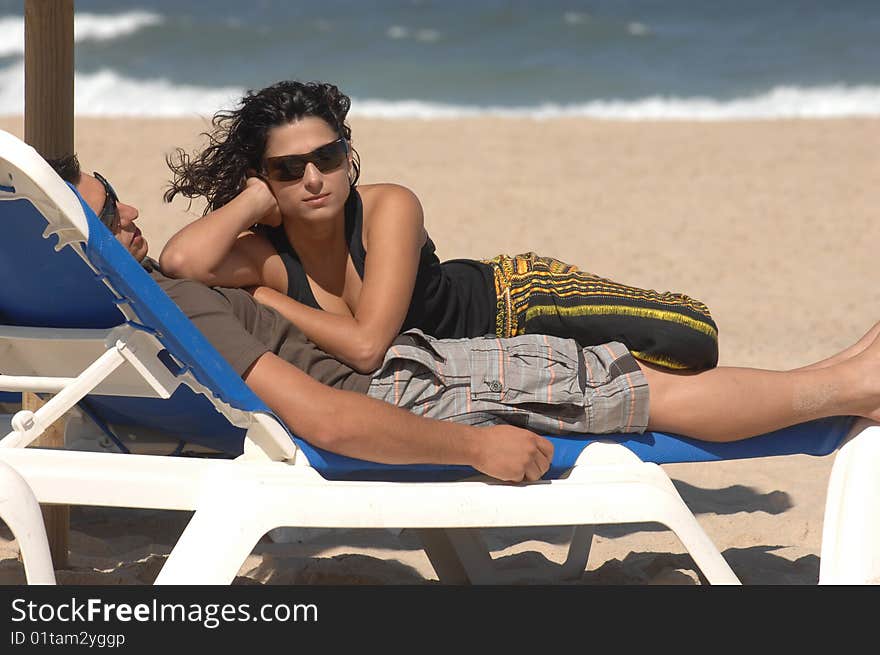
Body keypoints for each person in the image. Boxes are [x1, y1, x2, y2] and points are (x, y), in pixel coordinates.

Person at [52, 157, 880, 487]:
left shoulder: (114, 309)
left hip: (454, 333)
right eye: (105, 206)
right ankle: (852, 384)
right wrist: (472, 445)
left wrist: (268, 295)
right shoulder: (179, 294)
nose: (129, 209)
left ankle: (843, 371)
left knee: (666, 354)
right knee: (640, 392)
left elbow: (178, 253)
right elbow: (327, 415)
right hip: (410, 389)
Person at [159, 80, 719, 375]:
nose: (314, 178)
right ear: (266, 178)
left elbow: (367, 347)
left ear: (346, 154)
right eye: (289, 169)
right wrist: (253, 198)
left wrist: (266, 299)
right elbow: (180, 262)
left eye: (327, 157)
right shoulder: (270, 253)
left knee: (690, 338)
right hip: (483, 370)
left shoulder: (389, 207)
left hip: (514, 304)